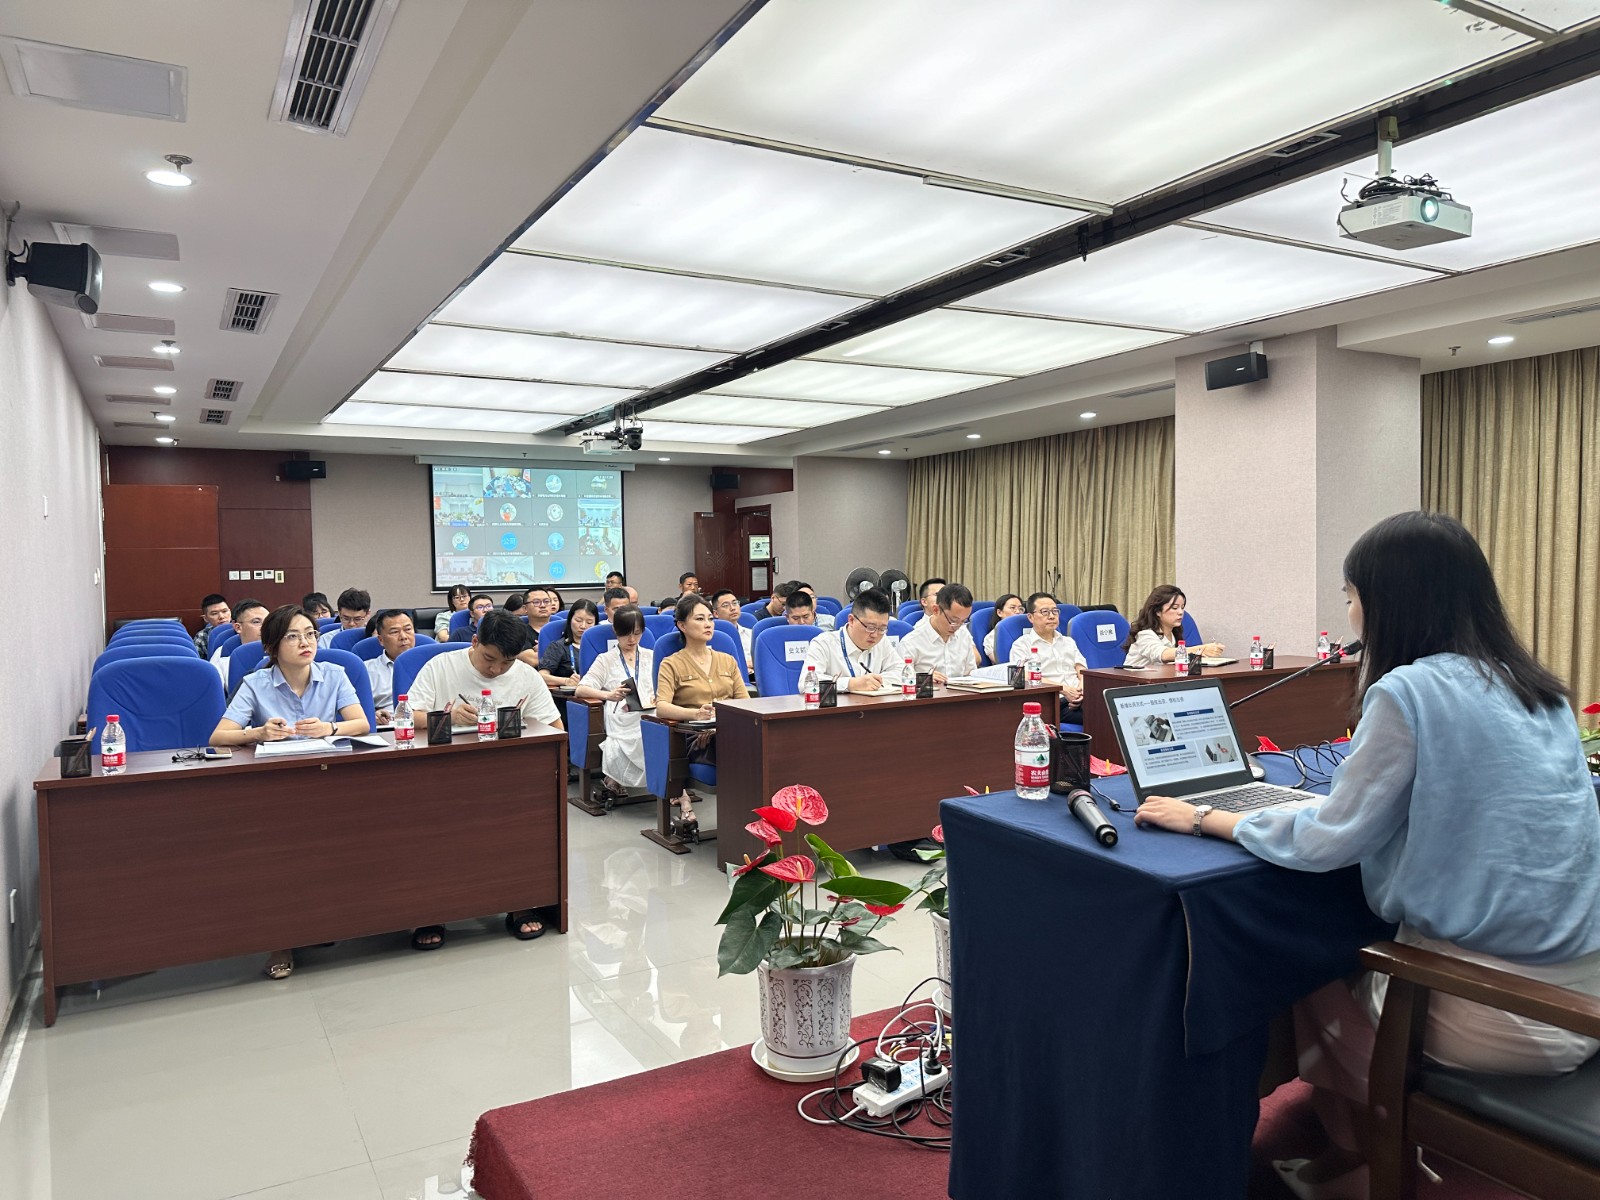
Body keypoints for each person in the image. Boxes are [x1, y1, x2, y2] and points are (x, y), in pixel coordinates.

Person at [1133, 512, 1600, 1199]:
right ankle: (1351, 1149)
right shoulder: (1538, 690)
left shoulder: (1408, 691)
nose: (1349, 613)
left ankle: (1368, 1160)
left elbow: (1329, 840)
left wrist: (1206, 817)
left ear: (1389, 602)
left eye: (1351, 597)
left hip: (1506, 1011)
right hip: (1583, 989)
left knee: (1303, 970)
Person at [210, 605, 370, 979]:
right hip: (277, 788)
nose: (305, 642)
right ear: (272, 646)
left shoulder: (335, 674)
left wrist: (330, 728)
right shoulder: (256, 683)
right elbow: (218, 737)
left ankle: (332, 917)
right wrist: (259, 732)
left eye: (311, 634)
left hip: (330, 780)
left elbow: (361, 723)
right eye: (293, 636)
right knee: (280, 854)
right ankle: (280, 940)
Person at [406, 609, 563, 943]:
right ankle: (432, 912)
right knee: (432, 834)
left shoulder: (526, 676)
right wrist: (446, 716)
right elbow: (407, 715)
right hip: (443, 774)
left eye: (506, 663)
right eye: (489, 659)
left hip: (506, 775)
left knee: (527, 822)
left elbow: (554, 728)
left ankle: (519, 903)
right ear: (475, 642)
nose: (496, 670)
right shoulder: (440, 666)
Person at [654, 594, 749, 839]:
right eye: (699, 619)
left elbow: (745, 702)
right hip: (694, 737)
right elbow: (662, 707)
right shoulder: (671, 663)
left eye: (710, 619)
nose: (708, 624)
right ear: (682, 625)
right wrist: (695, 713)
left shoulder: (727, 661)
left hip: (729, 732)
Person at [574, 606, 654, 806]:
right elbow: (581, 689)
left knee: (660, 725)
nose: (632, 639)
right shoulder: (606, 659)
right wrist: (608, 695)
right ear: (615, 631)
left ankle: (669, 783)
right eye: (626, 634)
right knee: (648, 728)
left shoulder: (652, 656)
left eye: (637, 633)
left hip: (652, 710)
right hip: (621, 714)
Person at [800, 586, 900, 692]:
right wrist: (850, 684)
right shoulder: (823, 643)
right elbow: (806, 684)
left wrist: (875, 681)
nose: (875, 635)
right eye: (870, 627)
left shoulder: (882, 641)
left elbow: (902, 672)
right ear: (851, 620)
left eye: (882, 629)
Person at [1008, 593, 1087, 720]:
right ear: (1030, 617)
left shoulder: (1068, 641)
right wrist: (1062, 689)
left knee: (1107, 705)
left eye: (1055, 611)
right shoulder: (1021, 645)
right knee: (1100, 716)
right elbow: (1019, 677)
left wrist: (1082, 690)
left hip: (1081, 697)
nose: (1051, 616)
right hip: (1053, 702)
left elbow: (1081, 669)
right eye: (1045, 612)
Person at [1121, 584, 1224, 666]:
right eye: (1174, 608)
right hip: (1136, 684)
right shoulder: (1145, 635)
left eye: (1182, 607)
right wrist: (1202, 649)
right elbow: (1163, 655)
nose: (1181, 612)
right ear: (1157, 611)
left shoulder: (1173, 635)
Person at [898, 582, 978, 684]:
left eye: (963, 621)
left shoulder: (963, 634)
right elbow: (898, 678)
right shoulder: (911, 642)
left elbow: (970, 674)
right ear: (936, 610)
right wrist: (922, 678)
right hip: (929, 693)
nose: (957, 626)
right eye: (953, 620)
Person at [365, 609, 415, 724]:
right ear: (381, 640)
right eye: (394, 632)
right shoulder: (366, 670)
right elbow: (356, 709)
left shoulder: (431, 665)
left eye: (408, 629)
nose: (403, 637)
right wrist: (372, 715)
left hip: (427, 725)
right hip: (388, 726)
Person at [539, 598, 598, 689]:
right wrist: (566, 681)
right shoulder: (558, 647)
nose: (583, 626)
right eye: (578, 620)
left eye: (589, 622)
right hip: (571, 694)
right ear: (570, 620)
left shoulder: (601, 647)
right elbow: (542, 675)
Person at [211, 598, 267, 685]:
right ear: (238, 627)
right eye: (256, 622)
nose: (265, 627)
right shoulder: (223, 655)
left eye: (268, 621)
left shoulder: (282, 650)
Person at [709, 589, 753, 671]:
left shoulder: (751, 634)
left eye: (735, 603)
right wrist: (743, 665)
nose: (732, 608)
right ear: (716, 614)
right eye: (725, 605)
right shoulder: (711, 638)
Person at [983, 593, 1024, 663]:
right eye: (1012, 608)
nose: (1018, 612)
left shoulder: (1028, 632)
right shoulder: (991, 638)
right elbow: (1000, 663)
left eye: (1020, 609)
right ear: (999, 613)